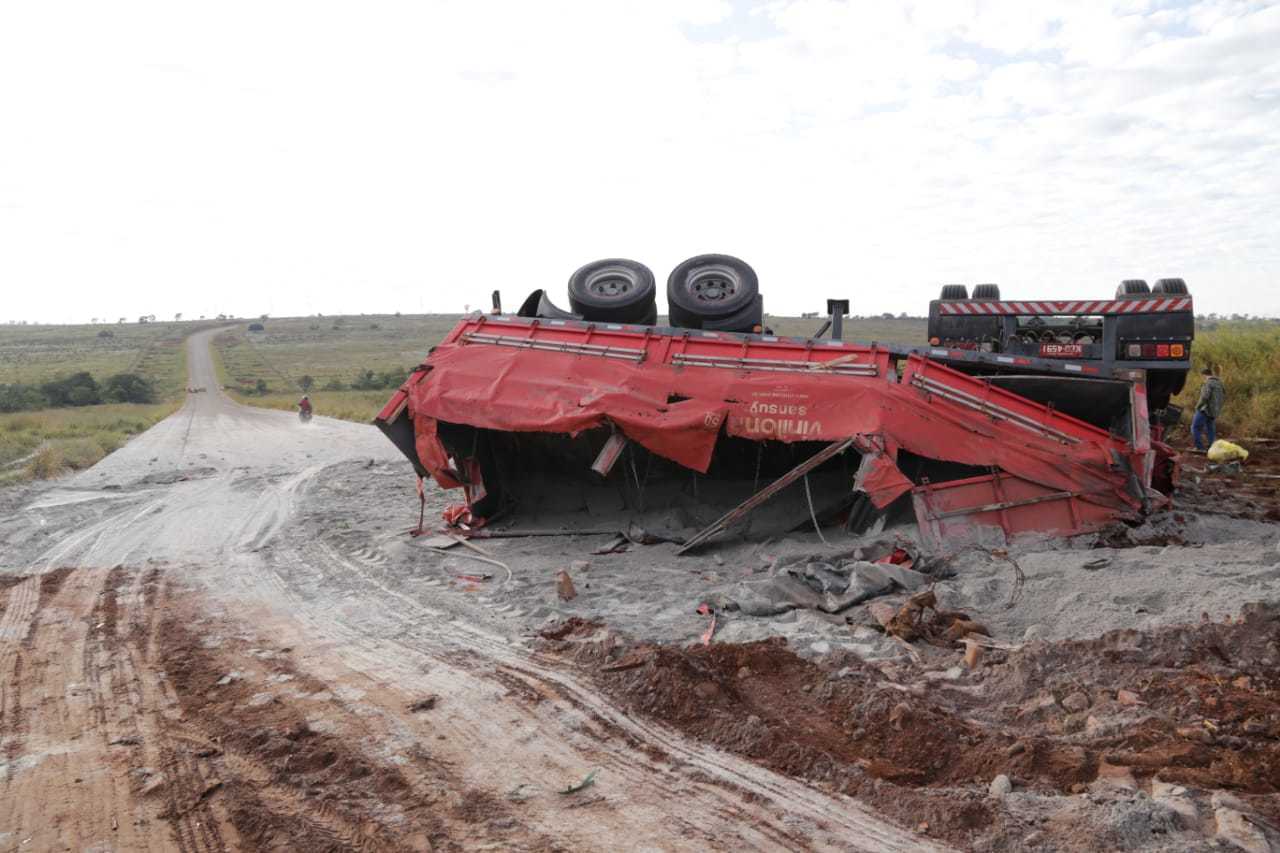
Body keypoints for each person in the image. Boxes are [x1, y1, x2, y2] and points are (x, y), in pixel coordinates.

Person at [1191, 367, 1225, 451]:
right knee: (1210, 429)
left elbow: (1205, 397)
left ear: (1204, 375)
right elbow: (1223, 397)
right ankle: (1212, 447)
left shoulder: (1208, 383)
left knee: (1195, 427)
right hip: (1214, 411)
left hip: (1205, 409)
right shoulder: (1220, 383)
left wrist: (1198, 406)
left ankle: (1200, 447)